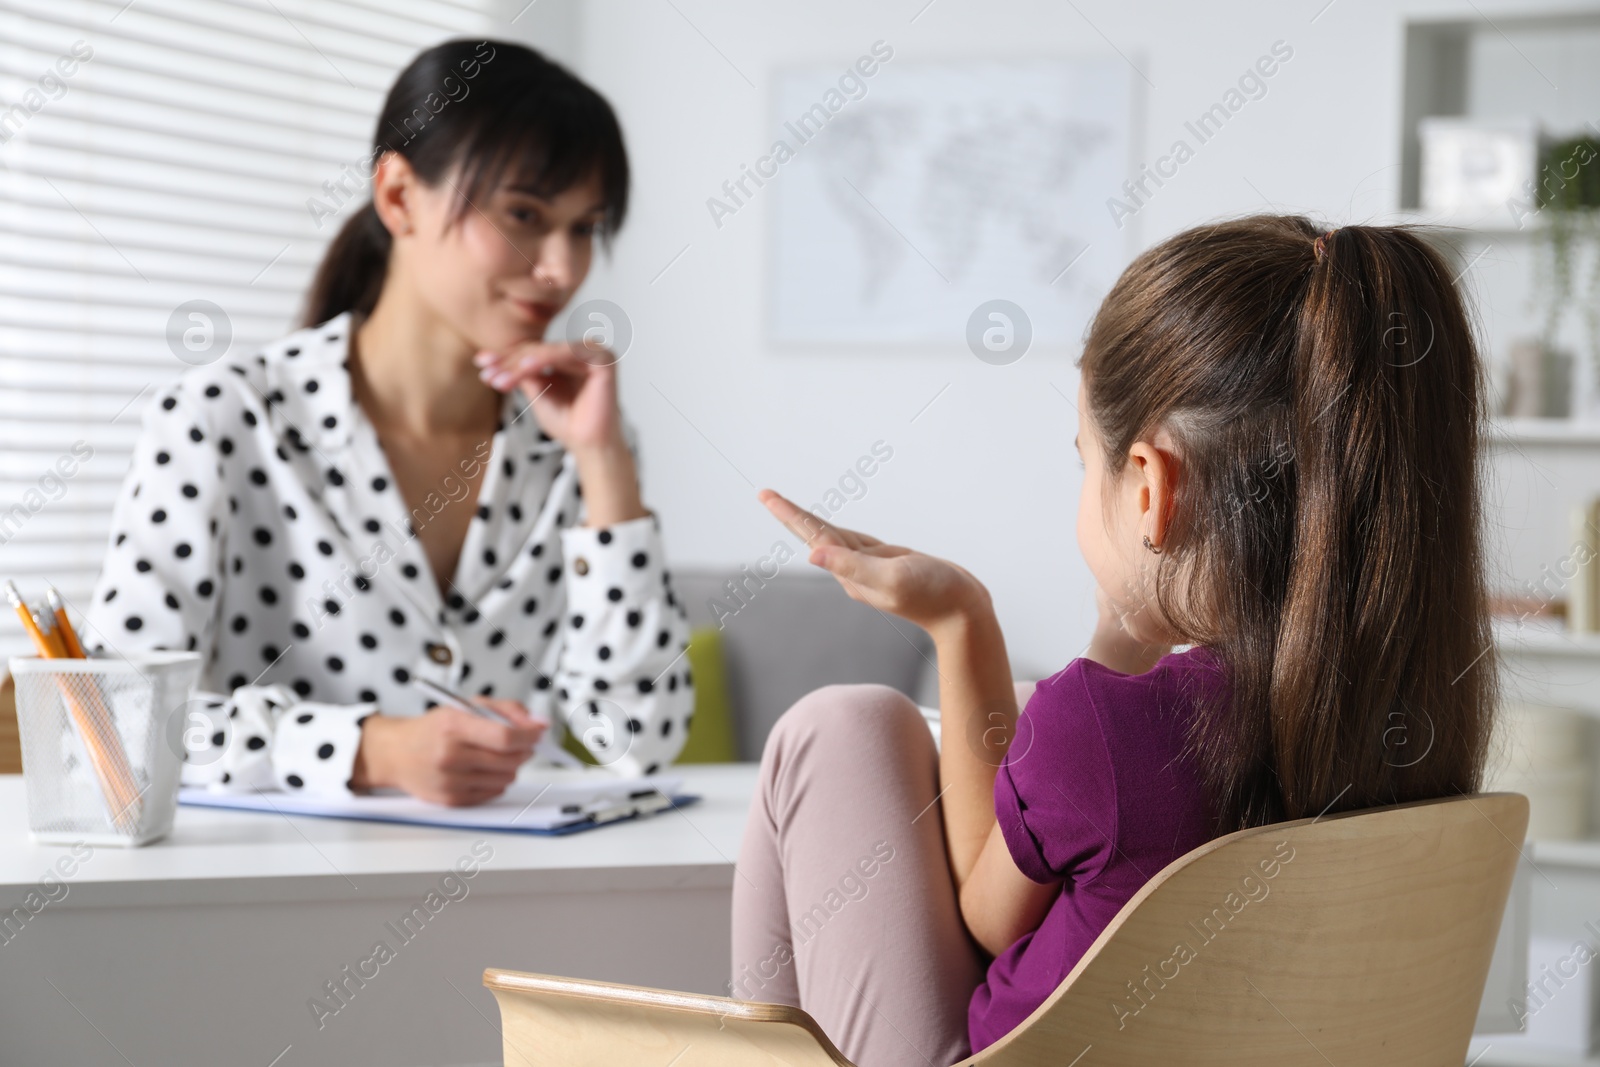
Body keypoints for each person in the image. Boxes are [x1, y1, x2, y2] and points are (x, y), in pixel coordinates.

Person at [732, 216, 1496, 1065]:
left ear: (1149, 490)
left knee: (840, 726)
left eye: (1084, 461)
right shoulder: (1415, 711)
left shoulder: (1100, 728)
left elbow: (989, 912)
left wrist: (961, 617)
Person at [84, 39, 693, 805]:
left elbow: (640, 739)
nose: (561, 268)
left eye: (583, 228)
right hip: (275, 905)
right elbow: (113, 722)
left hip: (523, 895)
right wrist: (367, 749)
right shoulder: (224, 420)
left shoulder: (572, 434)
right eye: (525, 215)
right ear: (399, 195)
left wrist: (605, 465)